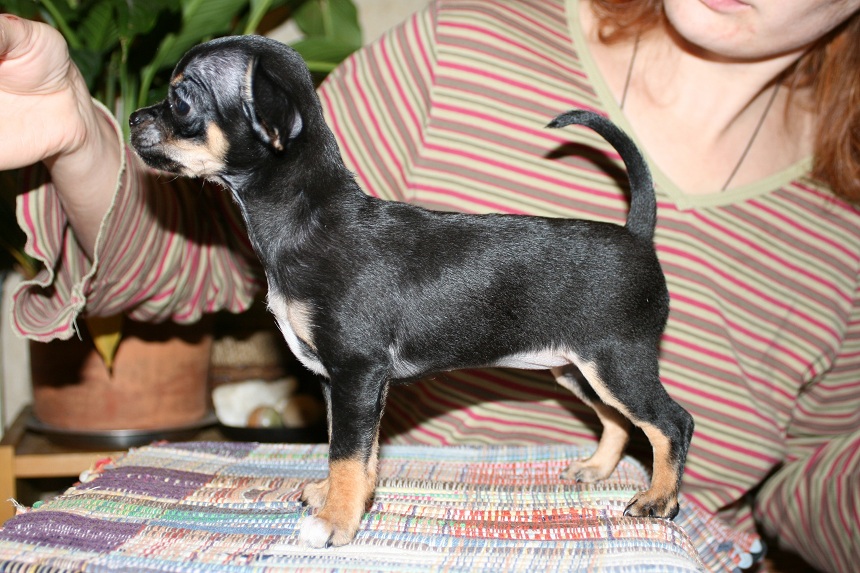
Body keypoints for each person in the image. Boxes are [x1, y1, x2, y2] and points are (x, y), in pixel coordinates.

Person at [1, 1, 858, 571]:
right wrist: (76, 135)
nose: (168, 119)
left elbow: (820, 486)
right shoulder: (452, 47)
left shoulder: (840, 234)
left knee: (614, 375)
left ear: (269, 127)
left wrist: (343, 498)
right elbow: (184, 268)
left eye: (188, 106)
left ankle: (650, 459)